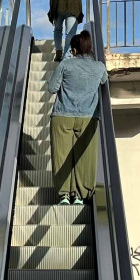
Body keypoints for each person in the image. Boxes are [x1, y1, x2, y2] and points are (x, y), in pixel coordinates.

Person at [48, 30, 108, 205]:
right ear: (89, 49)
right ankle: (80, 195)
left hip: (62, 115)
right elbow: (105, 82)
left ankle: (64, 195)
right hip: (88, 118)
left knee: (62, 155)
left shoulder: (65, 65)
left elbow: (52, 88)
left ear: (73, 50)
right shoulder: (99, 67)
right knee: (85, 156)